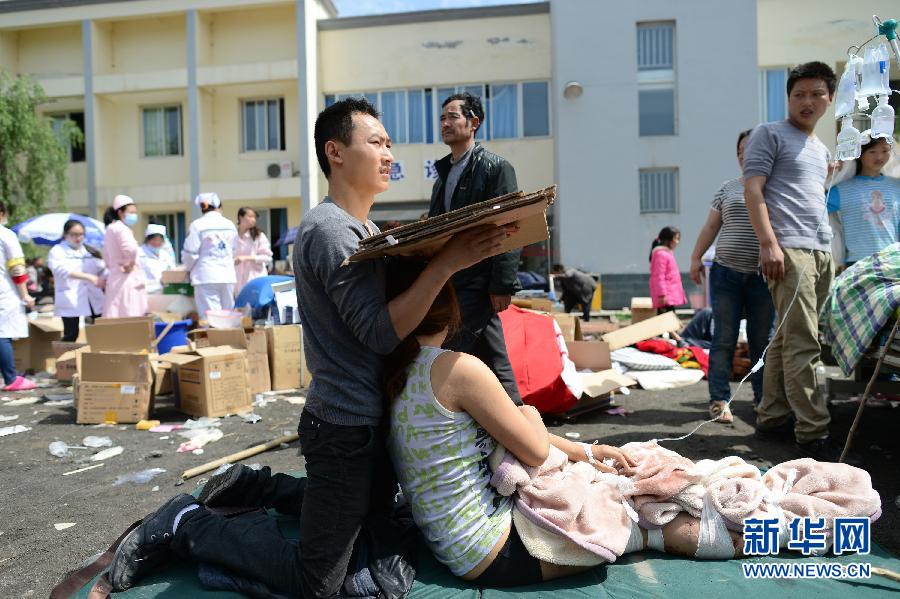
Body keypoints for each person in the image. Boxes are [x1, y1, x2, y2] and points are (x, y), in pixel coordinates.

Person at [109, 98, 511, 597]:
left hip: (367, 422)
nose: (389, 153)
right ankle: (187, 523)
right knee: (316, 582)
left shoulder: (362, 228)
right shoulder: (328, 230)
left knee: (375, 520)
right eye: (377, 142)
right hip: (343, 428)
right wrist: (444, 264)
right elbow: (378, 332)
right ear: (335, 152)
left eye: (389, 143)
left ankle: (257, 487)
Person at [381, 260, 747, 587]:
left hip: (457, 547)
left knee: (610, 475)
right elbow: (535, 446)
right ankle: (742, 533)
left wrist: (585, 450)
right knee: (642, 505)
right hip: (500, 550)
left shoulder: (398, 368)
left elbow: (510, 432)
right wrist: (530, 414)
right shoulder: (456, 368)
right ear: (449, 305)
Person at [743, 61, 856, 464]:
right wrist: (768, 244)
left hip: (821, 251)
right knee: (804, 343)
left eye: (816, 94)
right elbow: (753, 191)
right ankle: (812, 433)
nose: (807, 101)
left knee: (786, 338)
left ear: (829, 98)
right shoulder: (768, 134)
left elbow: (810, 195)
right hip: (789, 250)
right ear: (787, 97)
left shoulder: (820, 147)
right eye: (798, 94)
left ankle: (772, 417)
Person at [428, 92, 523, 404]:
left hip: (478, 280)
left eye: (453, 116)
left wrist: (502, 283)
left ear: (474, 123)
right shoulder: (442, 175)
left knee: (449, 353)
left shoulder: (496, 168)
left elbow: (509, 226)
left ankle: (517, 426)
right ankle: (519, 421)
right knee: (491, 355)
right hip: (453, 280)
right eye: (442, 118)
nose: (445, 123)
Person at [689, 129, 776, 424]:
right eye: (740, 150)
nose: (744, 154)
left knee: (760, 341)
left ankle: (763, 401)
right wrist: (695, 257)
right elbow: (711, 227)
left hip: (763, 277)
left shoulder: (775, 188)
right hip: (725, 274)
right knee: (723, 339)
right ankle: (719, 400)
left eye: (750, 149)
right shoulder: (727, 188)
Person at [828, 135, 899, 267]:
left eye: (884, 151)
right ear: (859, 154)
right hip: (857, 263)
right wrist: (827, 175)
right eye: (872, 151)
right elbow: (815, 209)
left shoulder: (897, 187)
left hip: (893, 262)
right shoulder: (841, 190)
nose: (879, 157)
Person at [48, 220, 106, 342]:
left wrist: (105, 276)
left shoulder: (90, 251)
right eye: (74, 234)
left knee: (99, 333)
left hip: (92, 297)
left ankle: (97, 359)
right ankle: (66, 360)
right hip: (70, 297)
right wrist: (88, 277)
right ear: (65, 234)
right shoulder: (57, 251)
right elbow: (60, 270)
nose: (78, 238)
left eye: (81, 234)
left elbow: (102, 268)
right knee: (71, 335)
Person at [181, 193, 238, 318]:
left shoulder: (197, 225)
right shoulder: (230, 225)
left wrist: (188, 269)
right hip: (227, 276)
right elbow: (234, 250)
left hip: (206, 276)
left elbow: (190, 253)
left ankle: (214, 337)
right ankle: (229, 337)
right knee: (228, 315)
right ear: (218, 206)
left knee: (211, 318)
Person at [0, 202, 37, 392]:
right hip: (4, 292)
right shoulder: (5, 235)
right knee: (3, 334)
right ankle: (10, 378)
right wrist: (25, 294)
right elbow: (17, 268)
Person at [102, 195, 148, 319]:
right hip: (127, 279)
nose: (134, 215)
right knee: (130, 316)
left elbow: (105, 256)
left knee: (115, 316)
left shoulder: (110, 229)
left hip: (115, 278)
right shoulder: (121, 229)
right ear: (120, 212)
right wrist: (131, 263)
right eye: (131, 212)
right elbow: (131, 249)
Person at [233, 207, 273, 297]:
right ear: (240, 217)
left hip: (255, 279)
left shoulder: (259, 236)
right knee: (239, 309)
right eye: (250, 216)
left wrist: (246, 258)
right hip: (237, 282)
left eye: (254, 217)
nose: (253, 220)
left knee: (255, 310)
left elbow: (268, 258)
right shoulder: (232, 236)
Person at [649, 226, 686, 314]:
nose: (677, 242)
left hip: (668, 297)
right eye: (676, 238)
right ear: (668, 240)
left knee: (669, 322)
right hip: (665, 298)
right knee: (666, 323)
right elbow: (659, 276)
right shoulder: (661, 255)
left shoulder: (666, 254)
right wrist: (662, 295)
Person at [138, 224, 177, 295]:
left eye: (160, 240)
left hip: (163, 291)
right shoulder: (139, 253)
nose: (157, 243)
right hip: (145, 292)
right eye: (154, 240)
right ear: (147, 240)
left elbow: (172, 270)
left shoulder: (165, 254)